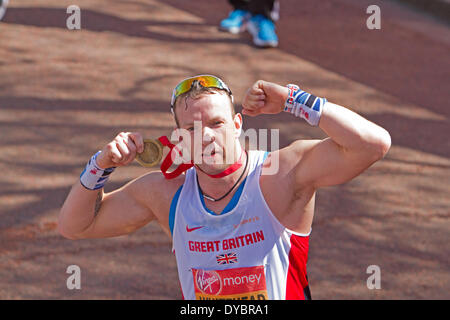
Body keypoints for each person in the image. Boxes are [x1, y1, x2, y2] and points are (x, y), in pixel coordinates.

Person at [58, 75, 391, 300]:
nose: (205, 136)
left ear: (236, 125)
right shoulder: (167, 193)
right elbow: (74, 226)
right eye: (192, 128)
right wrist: (101, 165)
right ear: (179, 138)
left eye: (216, 123)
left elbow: (373, 145)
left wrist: (294, 100)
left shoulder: (280, 173)